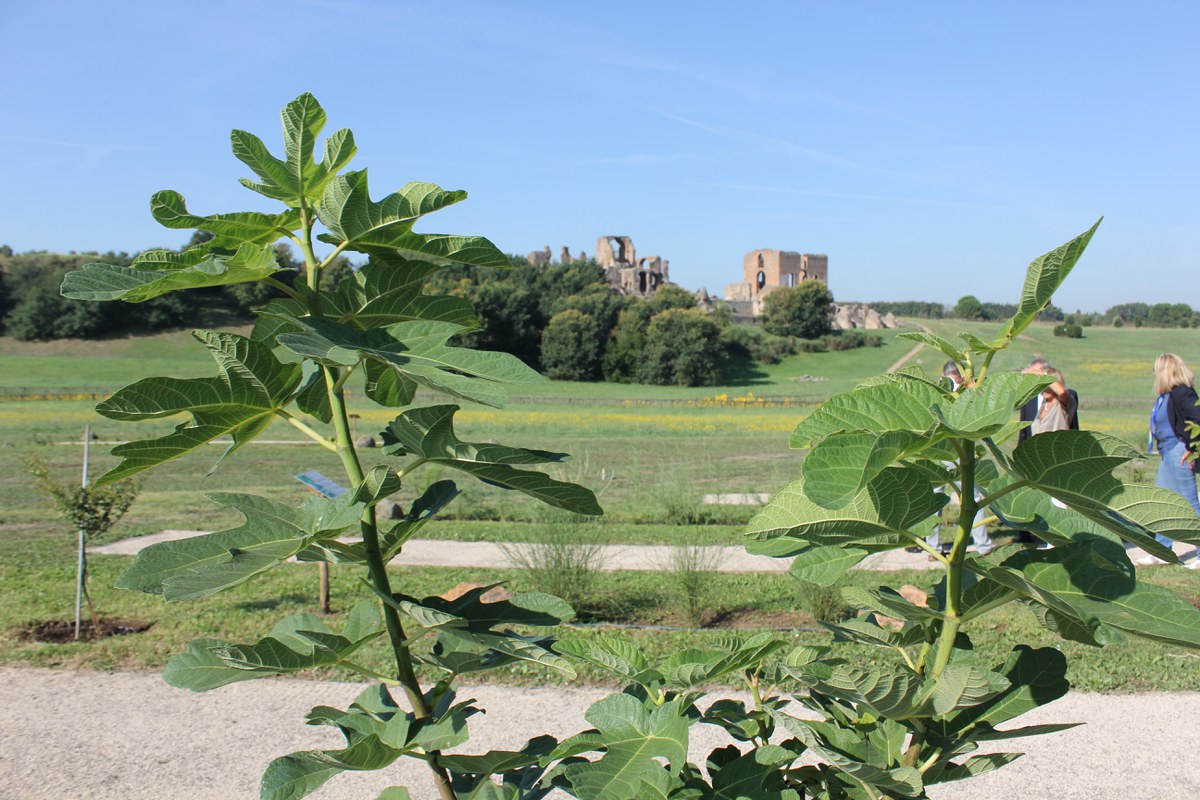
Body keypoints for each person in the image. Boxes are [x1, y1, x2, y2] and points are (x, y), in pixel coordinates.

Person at [916, 361, 993, 557]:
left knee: (934, 499)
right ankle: (983, 547)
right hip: (962, 451)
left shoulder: (936, 390)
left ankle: (933, 548)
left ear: (943, 373)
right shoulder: (969, 392)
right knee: (972, 498)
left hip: (938, 450)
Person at [1140, 353, 1200, 567]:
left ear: (1167, 370)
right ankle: (1162, 551)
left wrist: (1191, 448)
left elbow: (1198, 418)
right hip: (1167, 453)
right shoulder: (1165, 396)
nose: (1154, 374)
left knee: (1191, 506)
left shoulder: (1182, 393)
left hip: (1178, 452)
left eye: (1157, 369)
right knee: (1162, 505)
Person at [1016, 359, 1078, 545]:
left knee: (1058, 504)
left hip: (1058, 460)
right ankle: (1050, 540)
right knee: (1044, 504)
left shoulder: (1064, 404)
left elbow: (1062, 392)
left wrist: (1041, 375)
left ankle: (1057, 543)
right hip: (1040, 462)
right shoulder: (1042, 406)